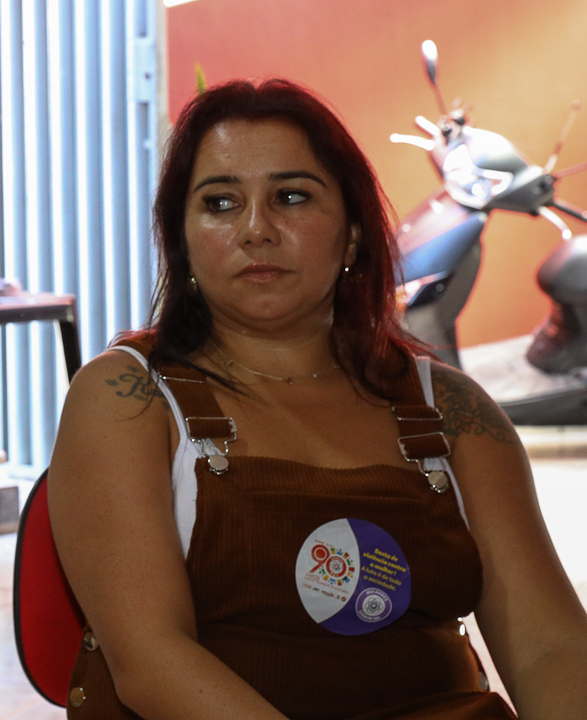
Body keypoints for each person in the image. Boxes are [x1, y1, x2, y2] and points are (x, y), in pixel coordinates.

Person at [49, 79, 587, 720]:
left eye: (292, 196)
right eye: (220, 203)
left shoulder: (454, 410)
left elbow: (550, 648)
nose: (256, 229)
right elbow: (149, 660)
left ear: (354, 234)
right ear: (183, 239)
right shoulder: (126, 397)